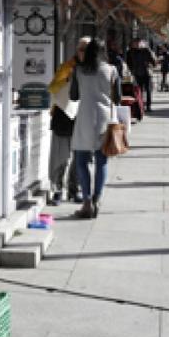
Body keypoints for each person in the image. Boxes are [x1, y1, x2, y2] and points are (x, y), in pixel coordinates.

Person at [69, 38, 120, 219]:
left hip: (84, 117)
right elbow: (118, 98)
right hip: (105, 119)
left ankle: (86, 202)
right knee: (102, 161)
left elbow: (73, 96)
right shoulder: (112, 70)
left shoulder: (79, 70)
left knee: (81, 161)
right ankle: (97, 198)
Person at [46, 38, 86, 205]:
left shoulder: (93, 70)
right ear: (77, 50)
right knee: (61, 156)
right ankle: (57, 189)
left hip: (83, 117)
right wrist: (66, 79)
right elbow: (53, 88)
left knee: (79, 158)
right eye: (82, 49)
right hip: (64, 115)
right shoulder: (67, 66)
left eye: (87, 49)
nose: (84, 52)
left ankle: (74, 189)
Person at [125, 39, 157, 112]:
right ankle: (140, 105)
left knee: (148, 90)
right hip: (137, 73)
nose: (137, 45)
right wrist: (131, 70)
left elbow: (154, 62)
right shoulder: (131, 52)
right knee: (139, 90)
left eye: (139, 43)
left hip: (147, 73)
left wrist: (149, 51)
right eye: (135, 43)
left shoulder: (147, 51)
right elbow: (128, 62)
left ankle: (148, 106)